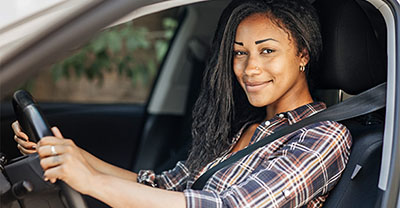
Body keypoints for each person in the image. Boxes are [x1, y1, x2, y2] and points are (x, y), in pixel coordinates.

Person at [12, 0, 352, 207]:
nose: (250, 68)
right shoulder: (243, 129)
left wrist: (92, 182)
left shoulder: (324, 137)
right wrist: (69, 155)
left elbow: (228, 207)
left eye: (267, 51)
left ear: (302, 54)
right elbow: (159, 188)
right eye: (239, 53)